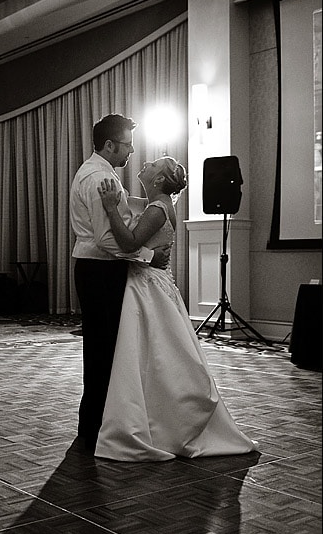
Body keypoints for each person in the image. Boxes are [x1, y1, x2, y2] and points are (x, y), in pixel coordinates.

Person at [95, 156, 258, 461]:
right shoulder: (154, 203)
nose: (145, 163)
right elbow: (134, 209)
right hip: (152, 281)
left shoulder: (157, 209)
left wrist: (107, 208)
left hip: (147, 286)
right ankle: (158, 417)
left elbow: (129, 243)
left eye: (154, 165)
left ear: (158, 180)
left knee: (152, 354)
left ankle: (160, 423)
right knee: (157, 355)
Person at [69, 114, 170, 453]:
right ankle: (97, 429)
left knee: (104, 351)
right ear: (109, 145)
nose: (132, 151)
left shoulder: (100, 172)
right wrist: (147, 257)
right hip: (100, 270)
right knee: (103, 353)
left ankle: (96, 425)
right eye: (127, 144)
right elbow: (105, 239)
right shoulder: (100, 177)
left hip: (96, 270)